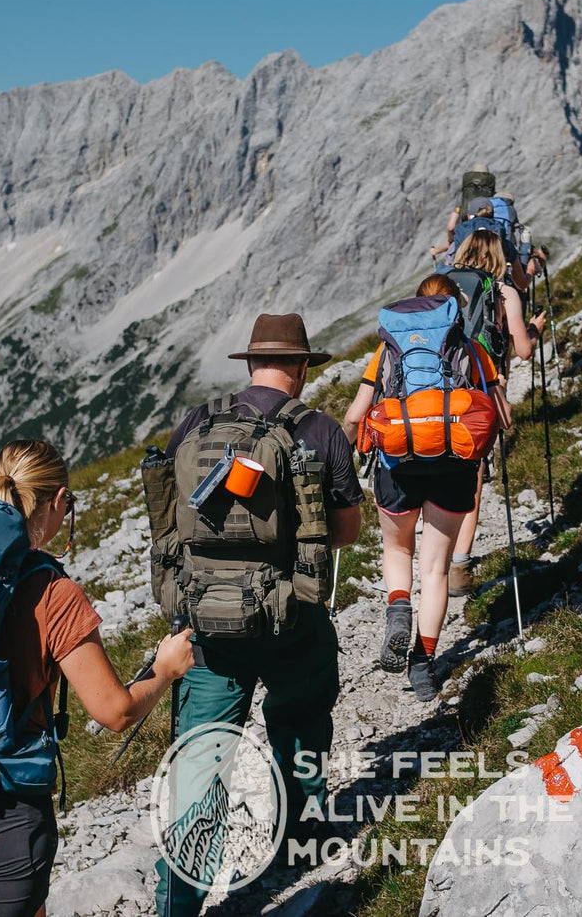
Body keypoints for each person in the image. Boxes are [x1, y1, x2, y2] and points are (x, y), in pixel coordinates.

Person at [0, 439, 195, 917]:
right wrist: (165, 668)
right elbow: (114, 711)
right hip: (1, 818)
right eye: (69, 504)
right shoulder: (51, 592)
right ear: (58, 502)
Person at [156, 313, 364, 917]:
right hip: (292, 616)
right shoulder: (320, 430)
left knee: (201, 758)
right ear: (300, 366)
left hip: (206, 627)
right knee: (299, 721)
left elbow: (170, 519)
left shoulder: (197, 422)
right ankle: (297, 843)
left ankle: (180, 898)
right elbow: (345, 530)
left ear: (250, 363)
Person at [343, 275, 507, 702]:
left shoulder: (387, 350)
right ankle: (423, 663)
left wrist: (342, 449)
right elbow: (499, 415)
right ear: (454, 309)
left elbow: (357, 413)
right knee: (435, 569)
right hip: (455, 467)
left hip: (398, 465)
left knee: (398, 550)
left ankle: (398, 607)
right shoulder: (473, 349)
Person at [444, 231, 547, 596]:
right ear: (500, 256)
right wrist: (534, 328)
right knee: (472, 477)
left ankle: (432, 555)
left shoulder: (438, 286)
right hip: (478, 393)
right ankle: (458, 567)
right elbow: (522, 351)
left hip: (432, 394)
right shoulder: (505, 293)